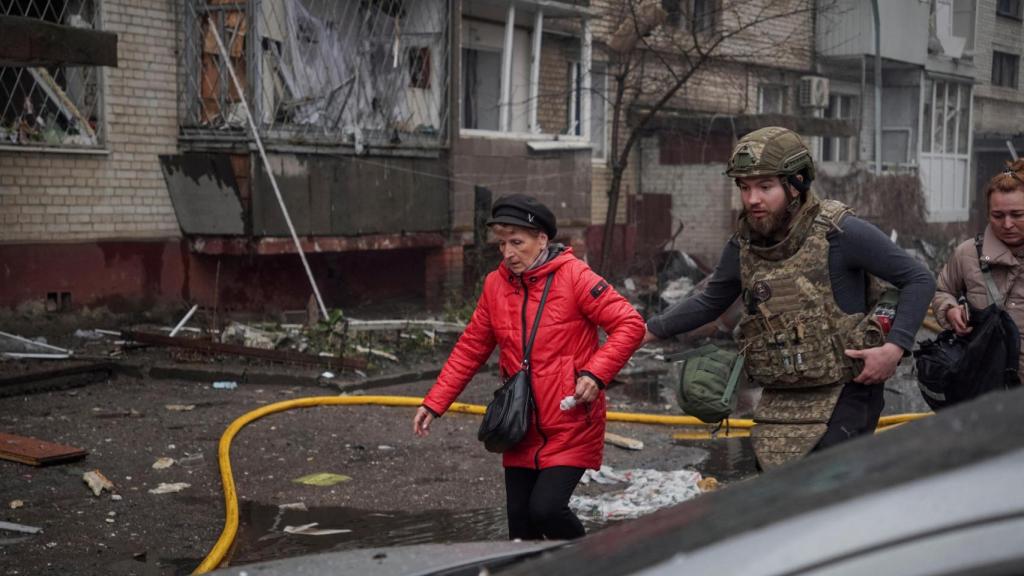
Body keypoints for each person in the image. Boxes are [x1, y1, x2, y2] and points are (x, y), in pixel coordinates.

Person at [644, 127, 935, 470]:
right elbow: (711, 301)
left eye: (764, 187)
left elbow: (918, 278)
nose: (752, 199)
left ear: (796, 184)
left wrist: (893, 348)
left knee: (829, 504)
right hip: (779, 402)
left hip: (844, 394)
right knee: (782, 503)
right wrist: (645, 331)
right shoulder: (745, 244)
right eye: (744, 187)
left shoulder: (840, 231)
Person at [412, 194, 645, 540]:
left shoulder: (575, 277)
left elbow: (630, 324)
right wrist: (435, 402)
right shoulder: (495, 285)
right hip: (518, 425)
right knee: (520, 528)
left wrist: (595, 374)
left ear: (542, 240)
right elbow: (471, 347)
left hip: (571, 422)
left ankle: (593, 564)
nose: (508, 253)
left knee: (547, 510)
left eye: (517, 242)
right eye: (502, 244)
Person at [932, 160, 1024, 378]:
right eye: (998, 216)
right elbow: (942, 291)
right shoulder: (967, 254)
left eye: (1017, 214)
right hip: (982, 385)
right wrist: (949, 310)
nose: (1007, 224)